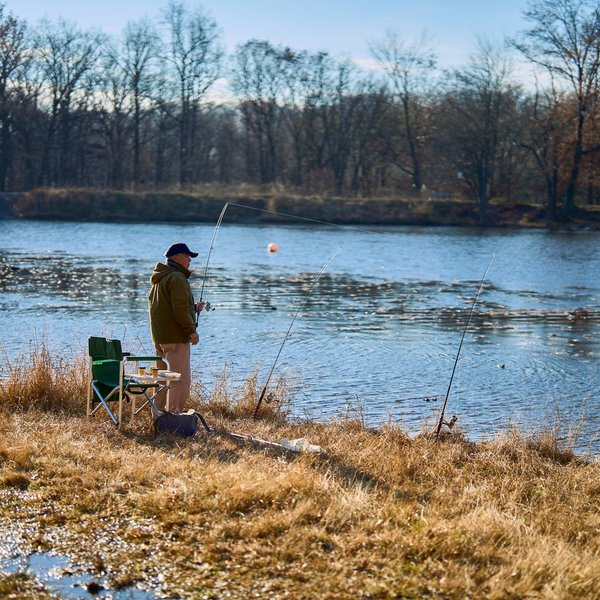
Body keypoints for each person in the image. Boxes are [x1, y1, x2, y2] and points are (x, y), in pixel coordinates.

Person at [148, 243, 204, 414]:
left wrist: (192, 307)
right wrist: (191, 331)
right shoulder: (178, 278)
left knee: (163, 379)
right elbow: (179, 310)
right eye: (187, 257)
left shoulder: (160, 278)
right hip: (176, 338)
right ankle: (174, 416)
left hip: (160, 339)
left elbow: (166, 306)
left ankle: (158, 415)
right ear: (177, 258)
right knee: (179, 380)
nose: (189, 261)